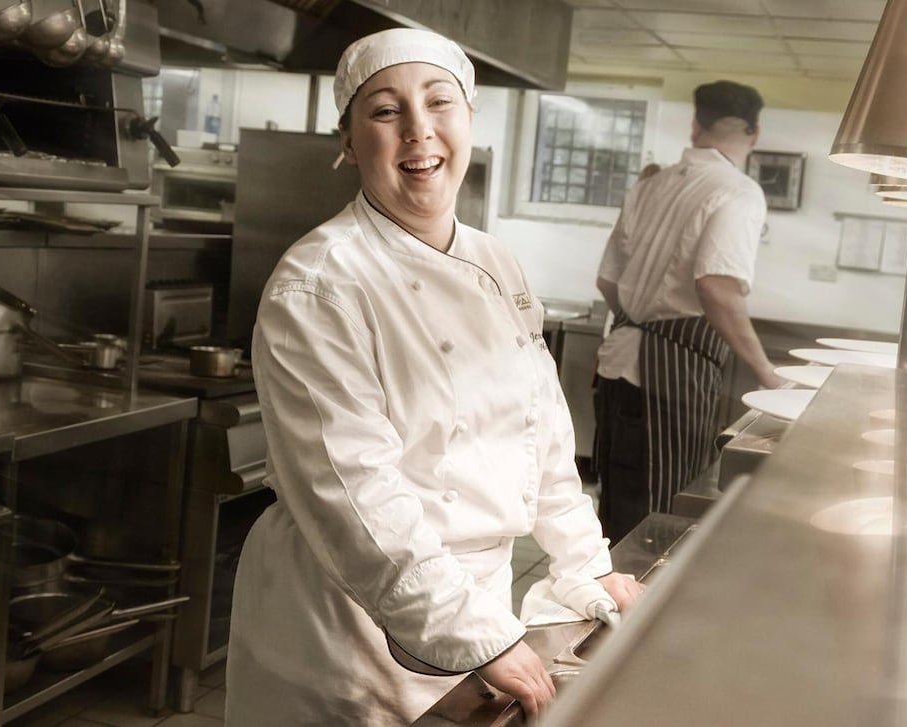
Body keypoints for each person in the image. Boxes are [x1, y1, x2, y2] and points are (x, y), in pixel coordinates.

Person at [225, 28, 643, 726]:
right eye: (386, 111)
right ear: (349, 141)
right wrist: (472, 632)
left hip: (475, 604)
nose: (419, 130)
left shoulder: (496, 262)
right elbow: (352, 492)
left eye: (439, 102)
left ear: (469, 119)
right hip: (347, 626)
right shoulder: (320, 284)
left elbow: (541, 432)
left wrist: (585, 561)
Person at [593, 79, 783, 544]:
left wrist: (641, 322)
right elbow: (717, 288)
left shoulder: (650, 185)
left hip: (618, 369)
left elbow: (608, 282)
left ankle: (607, 587)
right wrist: (767, 374)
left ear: (696, 126)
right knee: (660, 511)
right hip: (668, 380)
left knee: (616, 505)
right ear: (754, 133)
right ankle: (645, 591)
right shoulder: (739, 191)